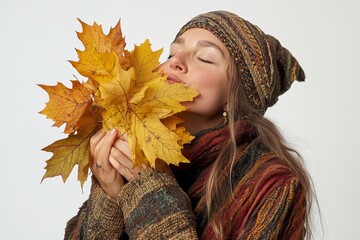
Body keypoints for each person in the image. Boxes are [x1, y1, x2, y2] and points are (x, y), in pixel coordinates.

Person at [64, 10, 314, 239]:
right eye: (172, 53)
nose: (176, 61)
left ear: (234, 98)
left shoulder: (273, 185)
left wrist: (151, 193)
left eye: (205, 58)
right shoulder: (137, 159)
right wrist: (109, 198)